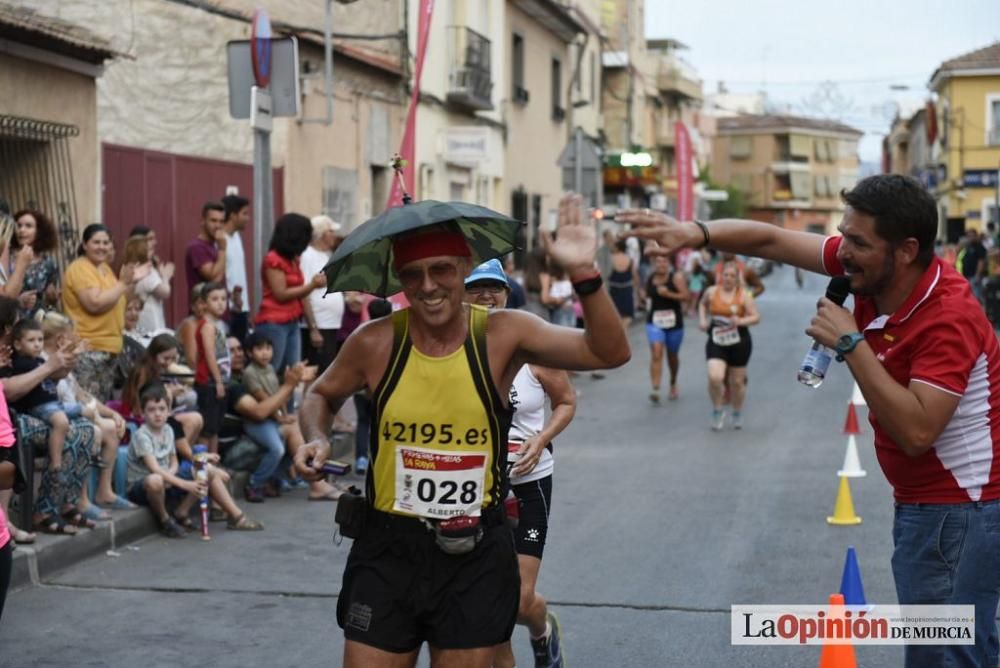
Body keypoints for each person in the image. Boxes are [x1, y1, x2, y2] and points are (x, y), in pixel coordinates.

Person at [621, 173, 1000, 668]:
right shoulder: (872, 270)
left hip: (958, 512)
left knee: (944, 656)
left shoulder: (948, 315)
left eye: (858, 243)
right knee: (969, 651)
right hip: (933, 508)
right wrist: (695, 233)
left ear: (906, 250)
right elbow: (771, 239)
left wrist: (850, 342)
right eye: (844, 236)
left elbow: (917, 431)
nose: (843, 252)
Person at [294, 193, 630, 667]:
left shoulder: (502, 334)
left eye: (442, 271)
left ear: (466, 266)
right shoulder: (373, 342)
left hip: (472, 552)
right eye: (413, 274)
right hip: (388, 548)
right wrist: (316, 435)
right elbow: (321, 395)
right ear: (399, 280)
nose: (428, 286)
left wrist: (584, 273)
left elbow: (608, 352)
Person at [463, 260, 576, 668]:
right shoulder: (453, 352)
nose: (486, 296)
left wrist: (541, 438)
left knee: (518, 600)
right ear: (462, 296)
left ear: (509, 295)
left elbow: (566, 401)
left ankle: (543, 630)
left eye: (495, 288)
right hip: (472, 487)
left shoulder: (533, 352)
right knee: (490, 602)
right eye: (476, 289)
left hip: (528, 484)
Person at [126, 383, 262, 537]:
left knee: (207, 470)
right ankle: (165, 520)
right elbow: (155, 469)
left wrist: (172, 473)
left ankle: (235, 517)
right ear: (143, 413)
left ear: (168, 411)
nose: (157, 414)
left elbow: (174, 461)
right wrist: (184, 483)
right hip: (144, 484)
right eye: (151, 410)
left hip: (166, 477)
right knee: (156, 480)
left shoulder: (168, 430)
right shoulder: (142, 436)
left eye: (162, 409)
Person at [221, 336, 339, 502]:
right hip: (233, 454)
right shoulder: (232, 384)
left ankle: (310, 481)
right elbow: (260, 412)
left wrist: (284, 412)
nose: (237, 354)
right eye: (231, 351)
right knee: (278, 447)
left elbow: (275, 397)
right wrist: (290, 384)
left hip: (252, 439)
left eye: (239, 349)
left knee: (295, 427)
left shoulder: (259, 371)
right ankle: (257, 484)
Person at [62, 224, 137, 402]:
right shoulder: (81, 268)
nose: (102, 247)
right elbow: (94, 304)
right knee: (90, 406)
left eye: (106, 242)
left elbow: (119, 300)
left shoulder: (104, 269)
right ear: (85, 244)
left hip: (107, 349)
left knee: (102, 405)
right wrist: (122, 284)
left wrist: (129, 282)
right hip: (89, 350)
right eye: (96, 242)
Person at [255, 213, 327, 377]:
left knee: (295, 370)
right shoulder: (273, 260)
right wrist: (312, 285)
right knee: (272, 370)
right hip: (274, 322)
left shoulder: (293, 260)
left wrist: (312, 327)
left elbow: (302, 295)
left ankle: (288, 402)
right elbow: (281, 294)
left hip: (292, 321)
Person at [698, 262, 760, 430]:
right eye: (726, 275)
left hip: (739, 341)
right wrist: (703, 320)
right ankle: (718, 410)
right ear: (720, 276)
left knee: (738, 382)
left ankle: (737, 411)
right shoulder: (711, 292)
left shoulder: (743, 295)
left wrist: (740, 320)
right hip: (716, 339)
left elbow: (756, 317)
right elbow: (702, 305)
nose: (728, 279)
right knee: (715, 376)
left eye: (732, 276)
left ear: (737, 278)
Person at [300, 215, 344, 372]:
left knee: (326, 371)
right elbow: (303, 293)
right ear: (323, 234)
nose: (334, 235)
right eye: (331, 231)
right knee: (315, 373)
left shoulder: (326, 255)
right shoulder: (307, 255)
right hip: (319, 325)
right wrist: (313, 328)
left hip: (330, 324)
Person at [645, 254, 690, 403]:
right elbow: (646, 294)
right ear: (654, 264)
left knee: (672, 357)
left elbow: (686, 296)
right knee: (656, 353)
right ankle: (655, 389)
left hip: (674, 324)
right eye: (658, 261)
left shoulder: (675, 278)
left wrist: (669, 294)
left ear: (669, 264)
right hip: (654, 322)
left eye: (664, 261)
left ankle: (672, 382)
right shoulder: (650, 278)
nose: (661, 264)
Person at [194, 282, 231, 453]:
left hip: (220, 381)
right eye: (215, 299)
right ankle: (203, 470)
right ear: (203, 303)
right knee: (207, 428)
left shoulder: (219, 325)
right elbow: (210, 355)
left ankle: (213, 468)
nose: (220, 303)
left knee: (215, 428)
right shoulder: (207, 326)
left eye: (224, 299)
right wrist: (218, 381)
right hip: (210, 383)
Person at [11, 208, 59, 317]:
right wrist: (18, 301)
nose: (22, 230)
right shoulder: (6, 258)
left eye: (28, 226)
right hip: (11, 319)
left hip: (37, 322)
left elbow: (50, 303)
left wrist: (52, 298)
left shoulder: (49, 263)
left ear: (39, 231)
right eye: (18, 225)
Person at [125, 232, 174, 335]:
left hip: (138, 316)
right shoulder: (147, 271)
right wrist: (165, 277)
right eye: (150, 249)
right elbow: (165, 292)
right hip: (150, 317)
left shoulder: (127, 267)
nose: (152, 251)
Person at [184, 201, 227, 313]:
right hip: (201, 314)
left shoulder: (214, 246)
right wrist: (222, 249)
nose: (218, 225)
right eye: (213, 220)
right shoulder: (196, 247)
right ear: (203, 221)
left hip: (218, 314)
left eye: (221, 221)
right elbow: (213, 278)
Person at [221, 194, 250, 343]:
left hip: (242, 308)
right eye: (244, 213)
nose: (248, 218)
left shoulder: (237, 237)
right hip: (228, 309)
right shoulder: (220, 240)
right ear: (232, 215)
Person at [608, 239, 639, 326]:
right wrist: (636, 291)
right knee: (627, 315)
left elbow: (604, 274)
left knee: (614, 314)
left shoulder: (611, 258)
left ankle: (618, 334)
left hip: (614, 290)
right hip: (627, 289)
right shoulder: (629, 259)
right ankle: (624, 332)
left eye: (613, 246)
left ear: (617, 247)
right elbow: (635, 276)